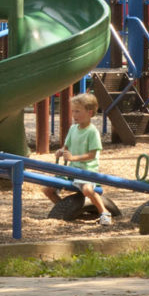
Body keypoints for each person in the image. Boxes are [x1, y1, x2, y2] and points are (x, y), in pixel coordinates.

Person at [41, 92, 110, 225]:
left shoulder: (92, 132)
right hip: (71, 171)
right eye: (73, 111)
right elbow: (66, 147)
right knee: (48, 190)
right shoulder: (73, 129)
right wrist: (61, 151)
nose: (74, 115)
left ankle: (104, 212)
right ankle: (65, 208)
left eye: (78, 111)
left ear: (90, 113)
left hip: (87, 171)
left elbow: (92, 155)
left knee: (87, 190)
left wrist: (73, 158)